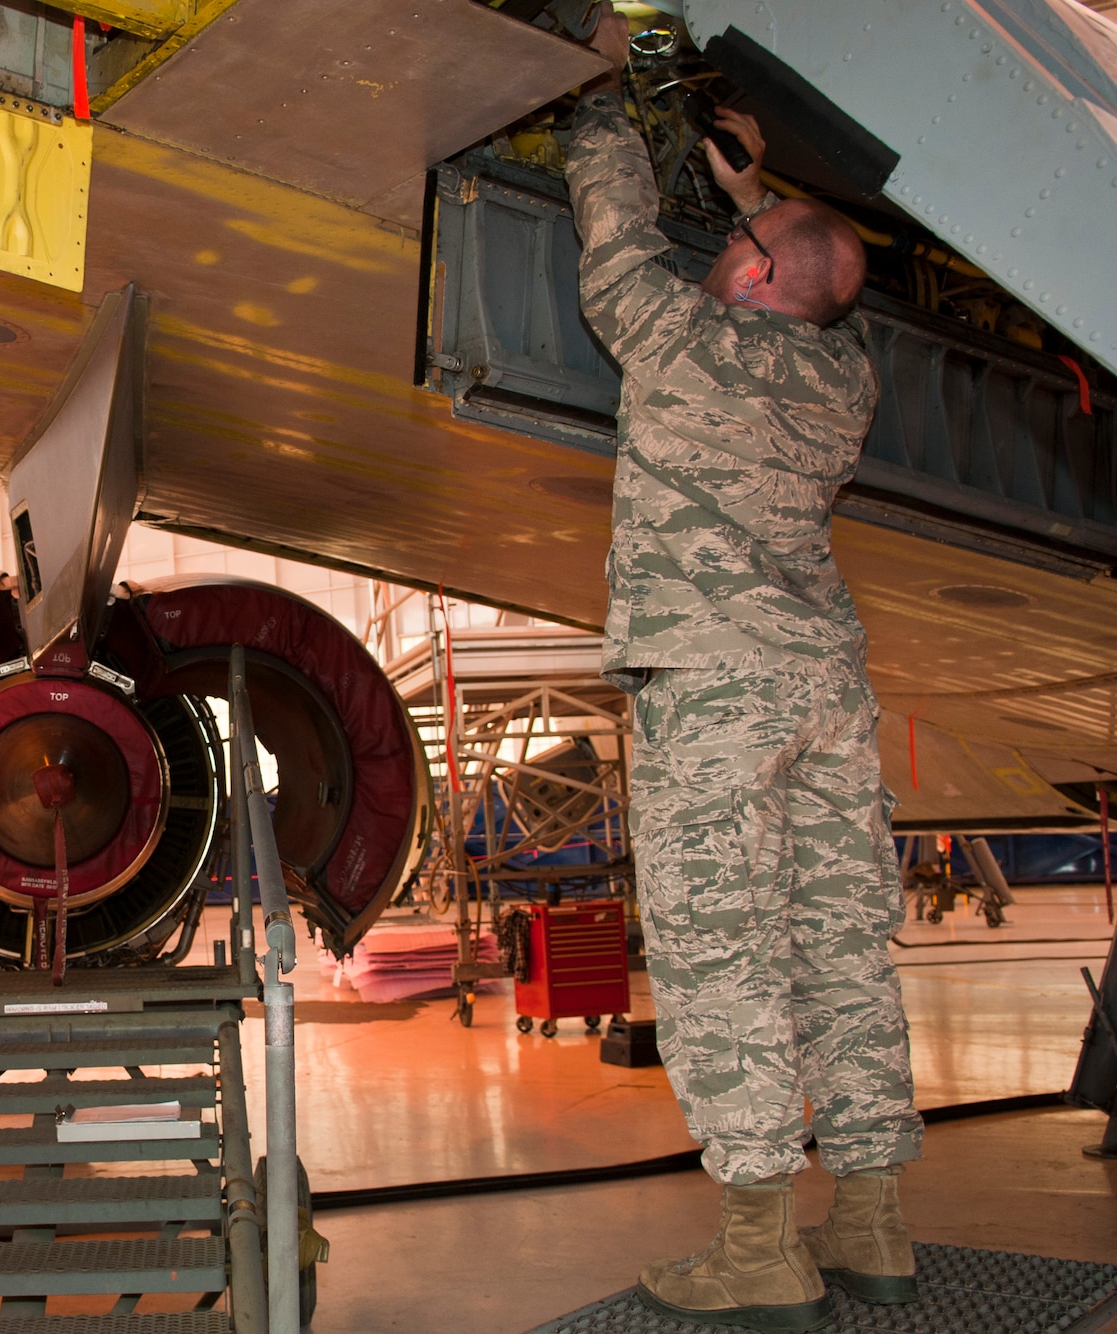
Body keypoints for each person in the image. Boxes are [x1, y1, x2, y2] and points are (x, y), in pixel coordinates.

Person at [565, 8, 922, 1328]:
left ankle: (762, 1243)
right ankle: (875, 1222)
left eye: (738, 243)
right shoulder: (846, 381)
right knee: (841, 950)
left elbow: (612, 235)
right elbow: (820, 281)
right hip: (826, 686)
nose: (722, 246)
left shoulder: (685, 345)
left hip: (715, 688)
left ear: (761, 283)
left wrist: (600, 82)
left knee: (723, 957)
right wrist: (757, 190)